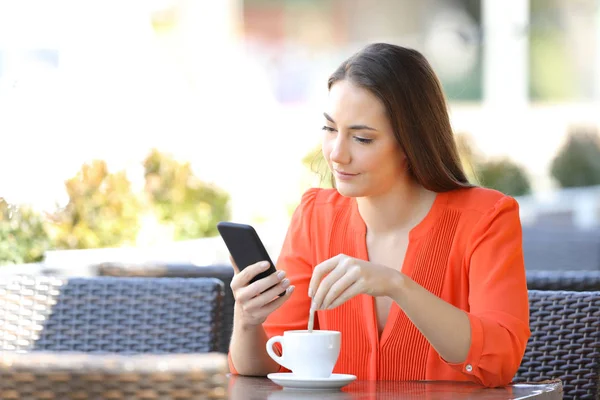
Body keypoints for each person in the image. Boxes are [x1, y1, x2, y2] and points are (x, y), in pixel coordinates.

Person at [227, 43, 530, 388]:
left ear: (411, 142)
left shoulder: (487, 218)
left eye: (362, 138)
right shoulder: (315, 217)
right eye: (329, 130)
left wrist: (396, 285)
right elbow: (271, 367)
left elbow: (500, 360)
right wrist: (248, 322)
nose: (337, 154)